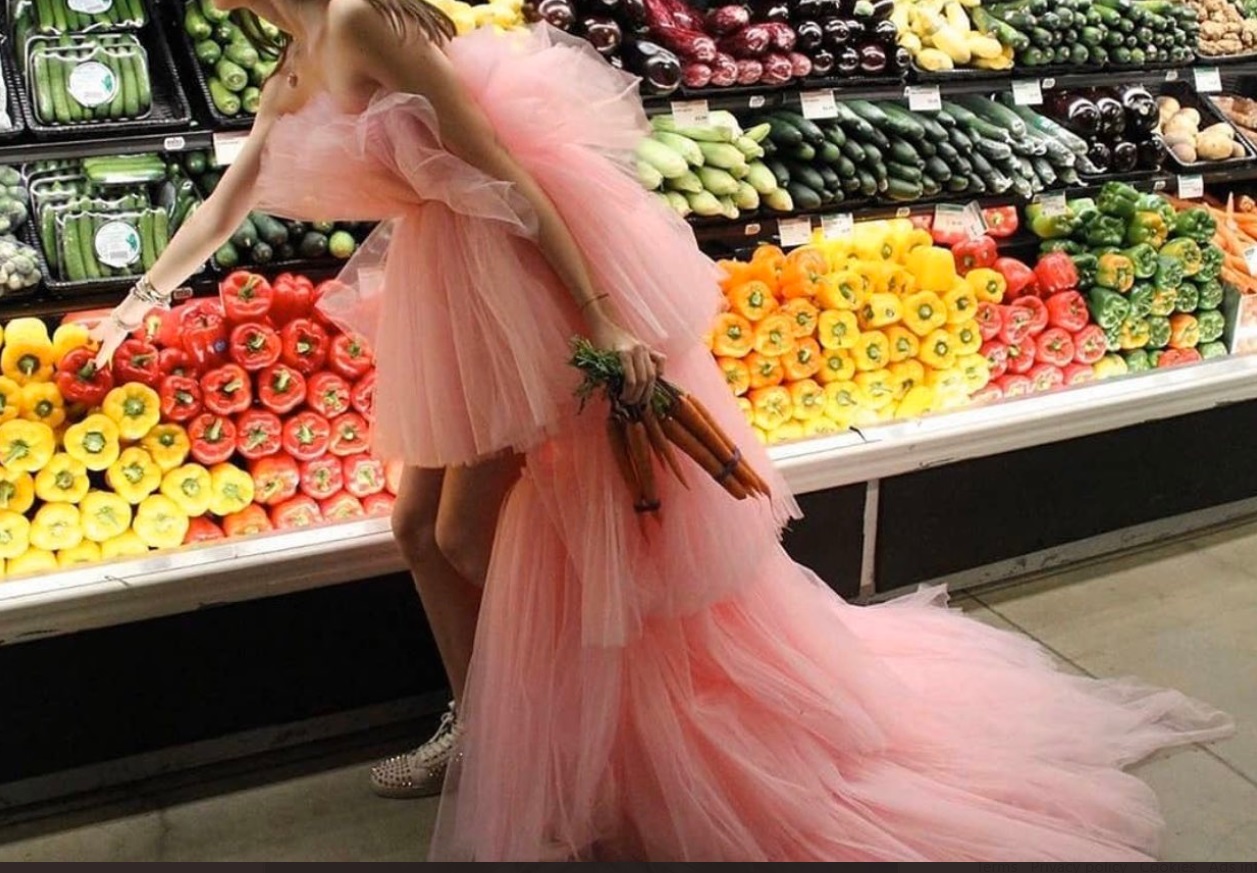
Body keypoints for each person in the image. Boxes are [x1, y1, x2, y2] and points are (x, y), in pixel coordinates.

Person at [93, 0, 1233, 860]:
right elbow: (230, 191)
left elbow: (507, 175)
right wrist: (139, 302)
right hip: (448, 283)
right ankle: (488, 725)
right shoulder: (297, 53)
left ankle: (556, 743)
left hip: (516, 285)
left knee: (466, 536)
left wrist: (598, 314)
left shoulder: (362, 22)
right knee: (416, 528)